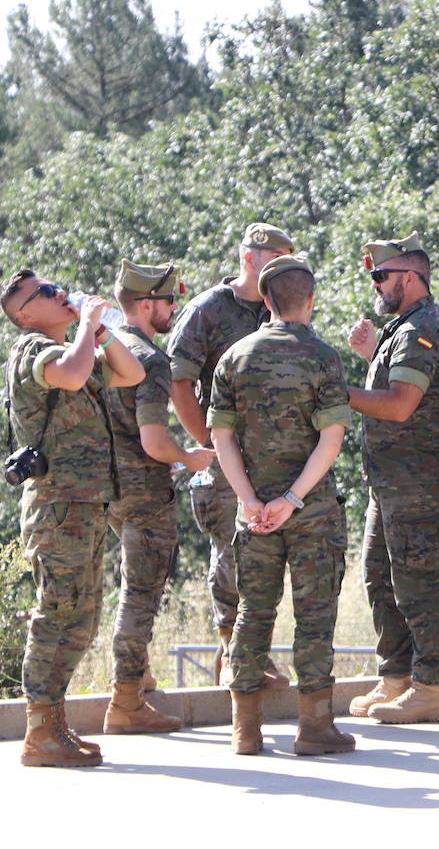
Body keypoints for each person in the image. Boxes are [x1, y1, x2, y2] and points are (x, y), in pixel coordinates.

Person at [208, 255, 354, 756]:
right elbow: (330, 440)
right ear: (310, 300)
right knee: (314, 616)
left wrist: (251, 500)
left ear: (265, 301)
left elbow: (220, 438)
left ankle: (245, 729)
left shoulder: (235, 357)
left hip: (254, 516)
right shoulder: (324, 357)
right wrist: (293, 500)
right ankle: (315, 728)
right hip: (311, 512)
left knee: (253, 612)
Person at [4, 270, 145, 767]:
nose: (58, 294)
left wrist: (101, 331)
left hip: (85, 502)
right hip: (58, 505)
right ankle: (39, 729)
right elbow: (69, 375)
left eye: (55, 286)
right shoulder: (32, 349)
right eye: (44, 294)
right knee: (57, 613)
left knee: (82, 617)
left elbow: (131, 373)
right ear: (24, 315)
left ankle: (54, 722)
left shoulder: (78, 349)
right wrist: (86, 324)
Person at [344, 233, 439, 725]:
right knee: (379, 577)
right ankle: (396, 678)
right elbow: (400, 384)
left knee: (415, 584)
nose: (377, 285)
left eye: (382, 276)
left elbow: (399, 404)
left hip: (418, 479)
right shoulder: (406, 328)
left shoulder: (423, 329)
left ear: (410, 277)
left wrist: (337, 390)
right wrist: (373, 354)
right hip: (394, 479)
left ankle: (431, 687)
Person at [168, 222, 293, 687]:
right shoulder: (208, 311)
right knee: (233, 552)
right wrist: (207, 442)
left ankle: (254, 652)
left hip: (275, 455)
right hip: (225, 457)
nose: (281, 269)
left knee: (267, 555)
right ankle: (234, 652)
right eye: (274, 258)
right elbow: (178, 380)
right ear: (250, 258)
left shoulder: (282, 309)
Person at [102, 261, 216, 736]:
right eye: (169, 301)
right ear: (146, 304)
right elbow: (153, 441)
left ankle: (140, 674)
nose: (174, 309)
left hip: (108, 490)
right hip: (145, 492)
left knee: (132, 585)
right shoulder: (148, 360)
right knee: (141, 594)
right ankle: (127, 700)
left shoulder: (104, 348)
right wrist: (189, 457)